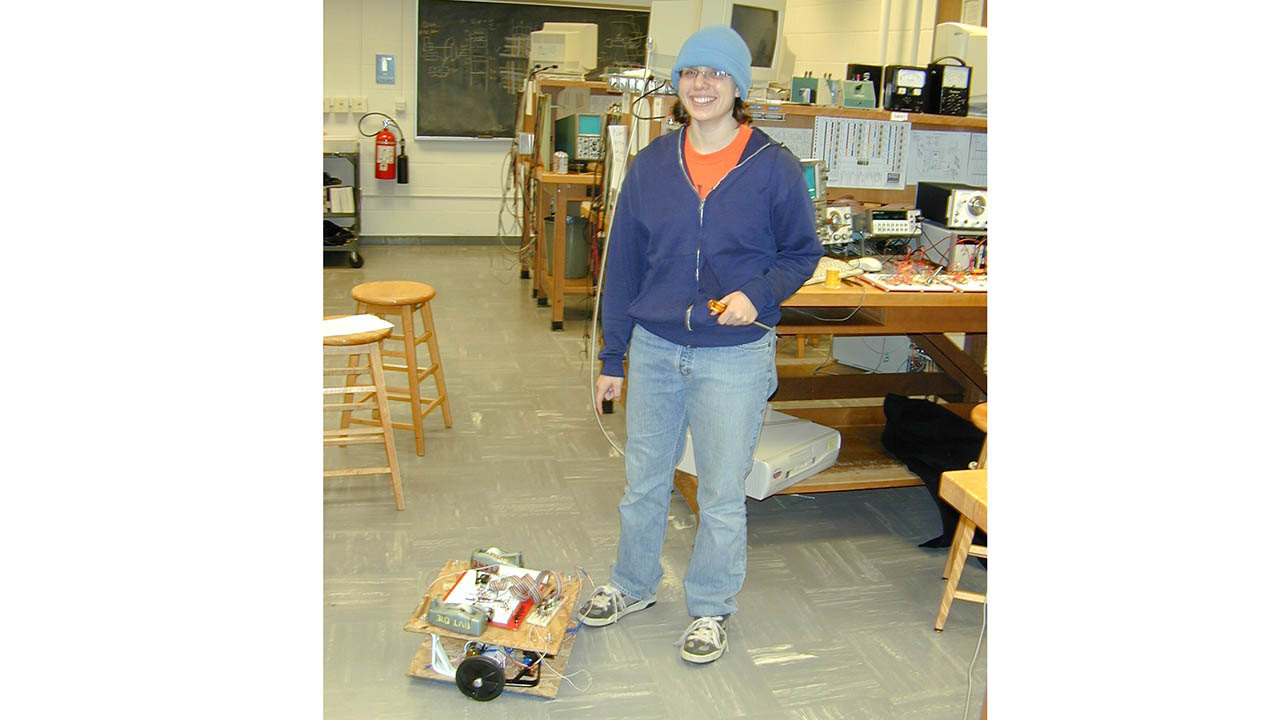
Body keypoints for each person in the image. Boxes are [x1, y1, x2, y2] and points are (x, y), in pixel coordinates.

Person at [580, 25, 822, 664]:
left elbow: (802, 254)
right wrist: (613, 357)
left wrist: (758, 294)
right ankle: (633, 585)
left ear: (738, 86)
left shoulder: (772, 166)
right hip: (656, 348)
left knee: (719, 491)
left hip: (734, 354)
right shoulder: (653, 164)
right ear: (678, 85)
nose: (702, 85)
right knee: (644, 482)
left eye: (716, 74)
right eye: (691, 74)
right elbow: (626, 265)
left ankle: (711, 607)